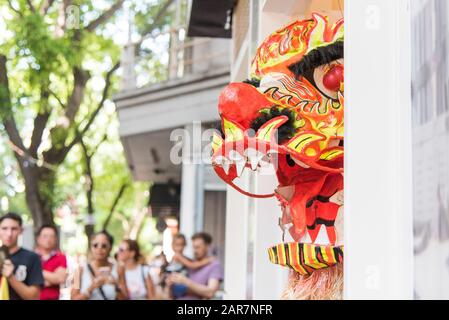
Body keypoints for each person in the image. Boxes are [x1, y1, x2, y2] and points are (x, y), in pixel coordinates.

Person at [71, 230, 127, 300]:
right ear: (91, 247)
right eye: (95, 245)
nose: (99, 248)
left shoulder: (119, 269)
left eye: (104, 246)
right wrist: (90, 288)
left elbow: (125, 297)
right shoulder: (78, 270)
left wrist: (116, 286)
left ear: (110, 248)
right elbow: (72, 298)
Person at [0, 212, 44, 300]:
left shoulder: (32, 258)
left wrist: (11, 277)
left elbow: (34, 297)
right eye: (4, 228)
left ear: (21, 231)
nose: (9, 234)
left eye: (14, 229)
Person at [167, 232, 223, 300]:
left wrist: (185, 281)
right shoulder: (190, 262)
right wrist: (170, 287)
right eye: (193, 247)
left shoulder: (214, 265)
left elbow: (210, 292)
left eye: (198, 247)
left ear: (208, 246)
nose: (195, 251)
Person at [35, 224, 67, 300]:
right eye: (45, 236)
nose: (48, 239)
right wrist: (51, 278)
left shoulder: (60, 257)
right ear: (38, 238)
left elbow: (60, 279)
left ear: (56, 239)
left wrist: (37, 272)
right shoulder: (31, 256)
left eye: (52, 236)